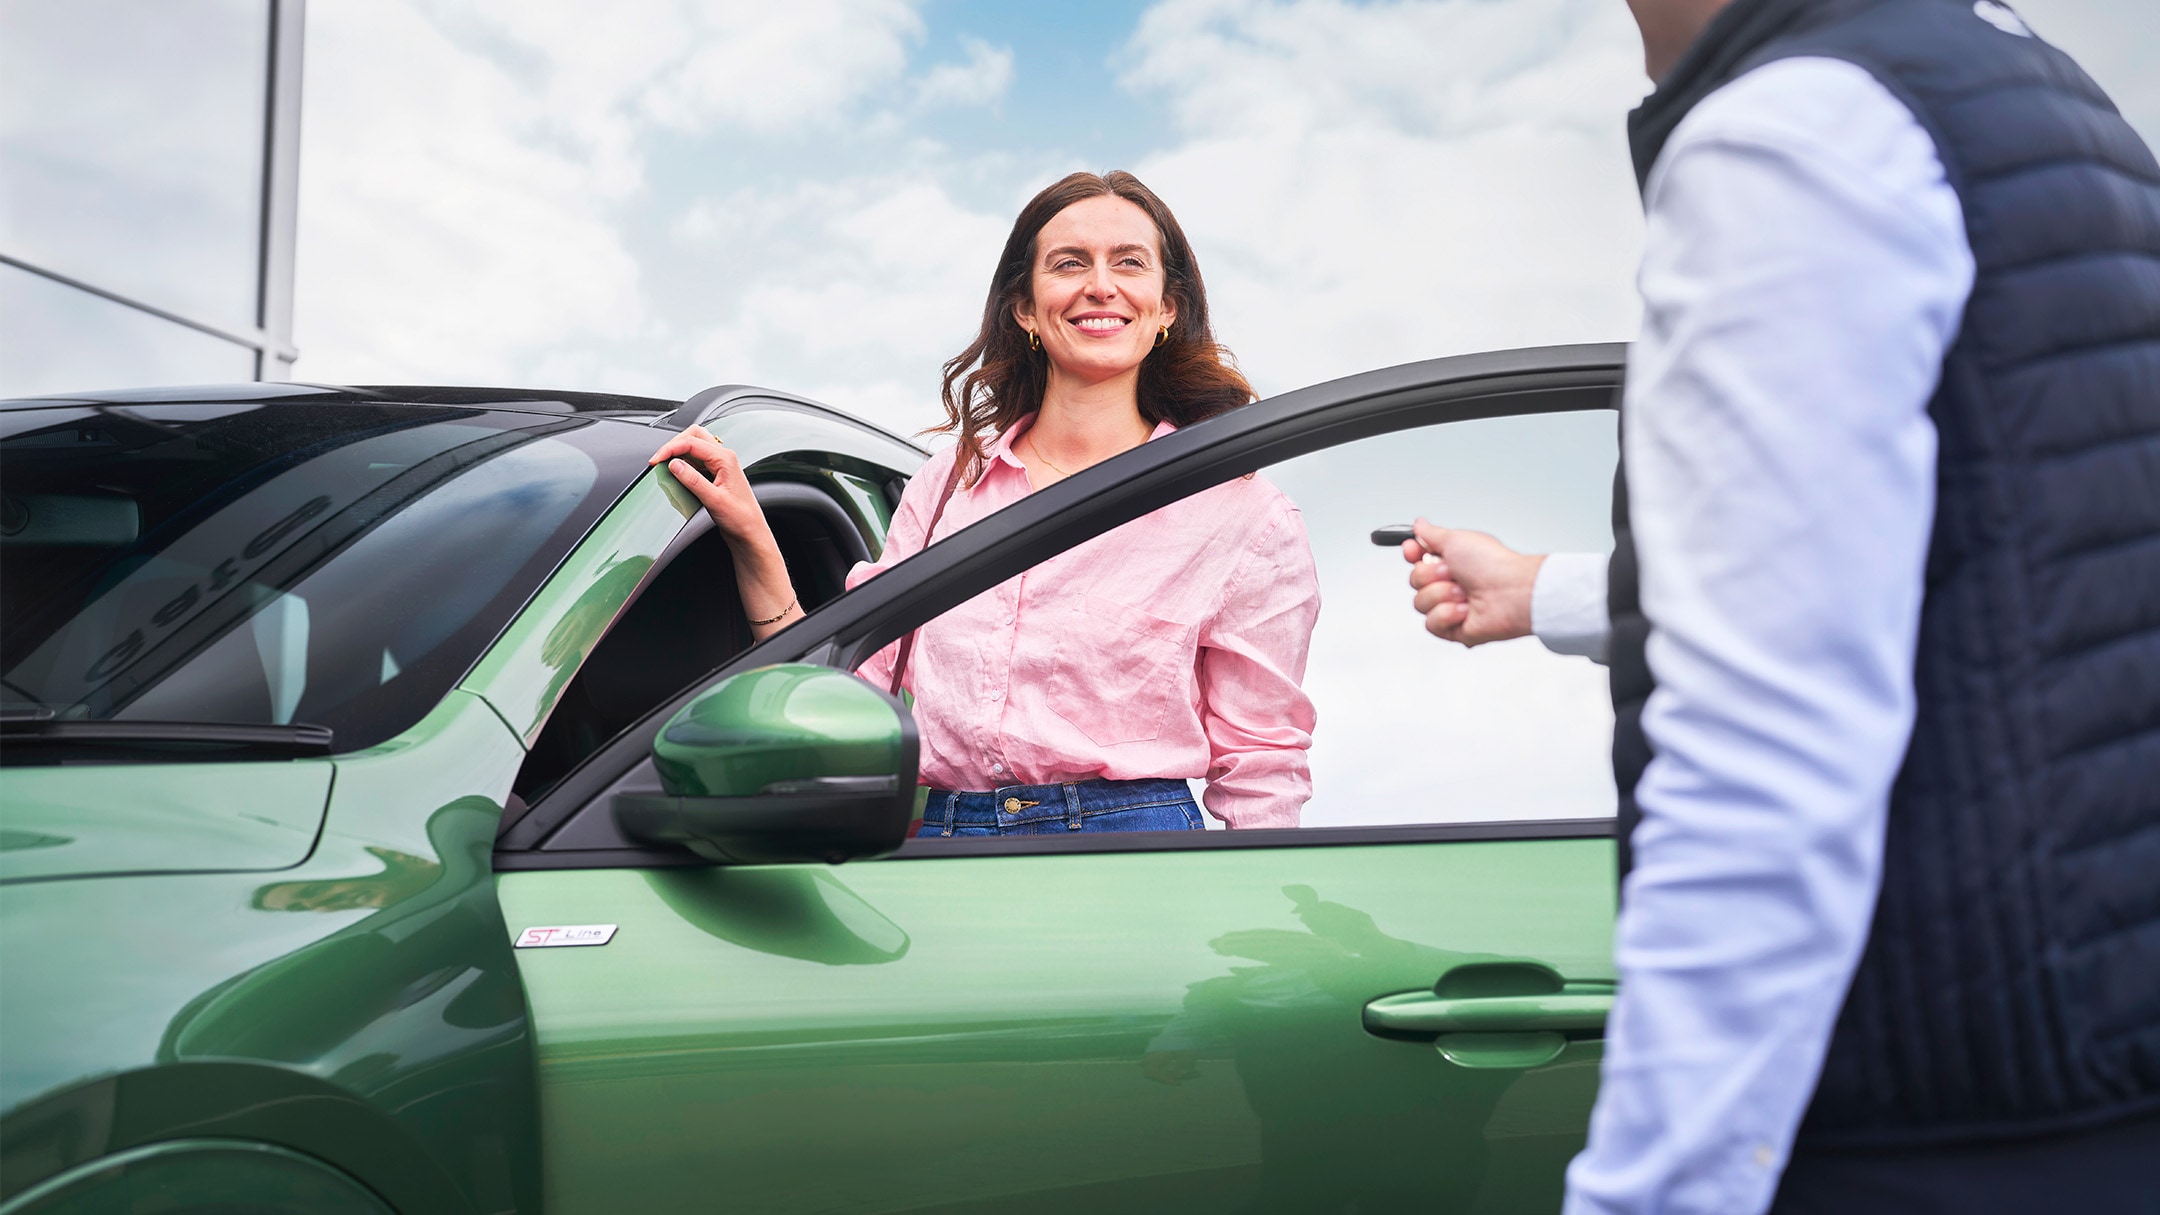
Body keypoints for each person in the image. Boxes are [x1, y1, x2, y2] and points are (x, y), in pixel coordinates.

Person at [1404, 0, 2159, 1211]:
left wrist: (1653, 1193)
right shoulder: (2036, 95)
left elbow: (1762, 747)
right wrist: (1543, 590)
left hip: (1934, 1122)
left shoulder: (1791, 134)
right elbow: (1974, 552)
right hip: (2098, 1084)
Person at [654, 170, 1319, 835]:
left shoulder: (1241, 513)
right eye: (1069, 263)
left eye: (1128, 263)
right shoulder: (950, 485)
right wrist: (751, 537)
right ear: (1026, 308)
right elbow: (845, 688)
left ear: (1166, 307)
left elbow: (1261, 761)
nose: (1100, 285)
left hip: (1133, 857)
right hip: (946, 847)